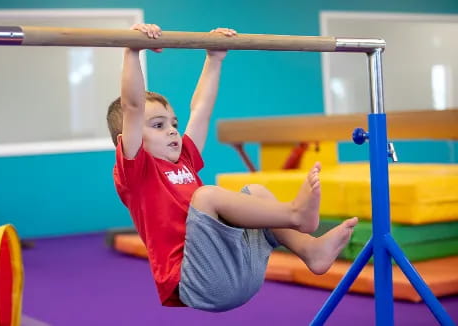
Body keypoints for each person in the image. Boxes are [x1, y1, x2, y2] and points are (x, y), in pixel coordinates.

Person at [107, 23, 358, 312]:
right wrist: (131, 51)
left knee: (257, 192)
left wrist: (213, 59)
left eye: (173, 124)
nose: (173, 131)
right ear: (129, 137)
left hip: (237, 270)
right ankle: (294, 213)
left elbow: (200, 110)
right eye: (159, 126)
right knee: (207, 196)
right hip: (200, 282)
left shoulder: (184, 160)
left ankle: (309, 250)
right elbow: (133, 107)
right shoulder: (137, 173)